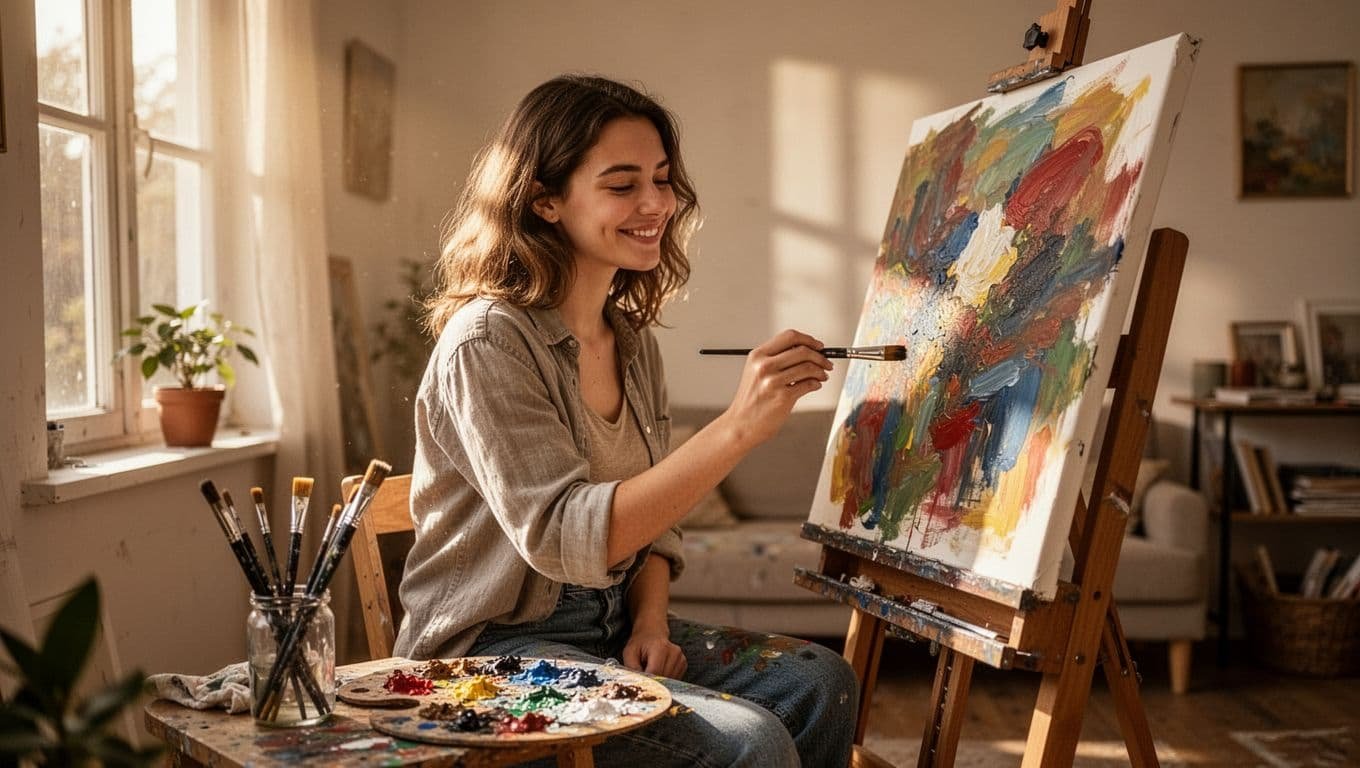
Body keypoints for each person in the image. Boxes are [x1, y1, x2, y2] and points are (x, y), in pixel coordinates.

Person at [394, 74, 857, 767]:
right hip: (486, 655)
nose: (656, 204)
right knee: (750, 745)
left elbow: (656, 525)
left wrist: (649, 618)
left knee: (823, 682)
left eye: (663, 179)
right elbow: (559, 536)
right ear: (545, 200)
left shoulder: (631, 342)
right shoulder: (487, 341)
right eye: (622, 184)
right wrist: (737, 429)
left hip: (610, 626)